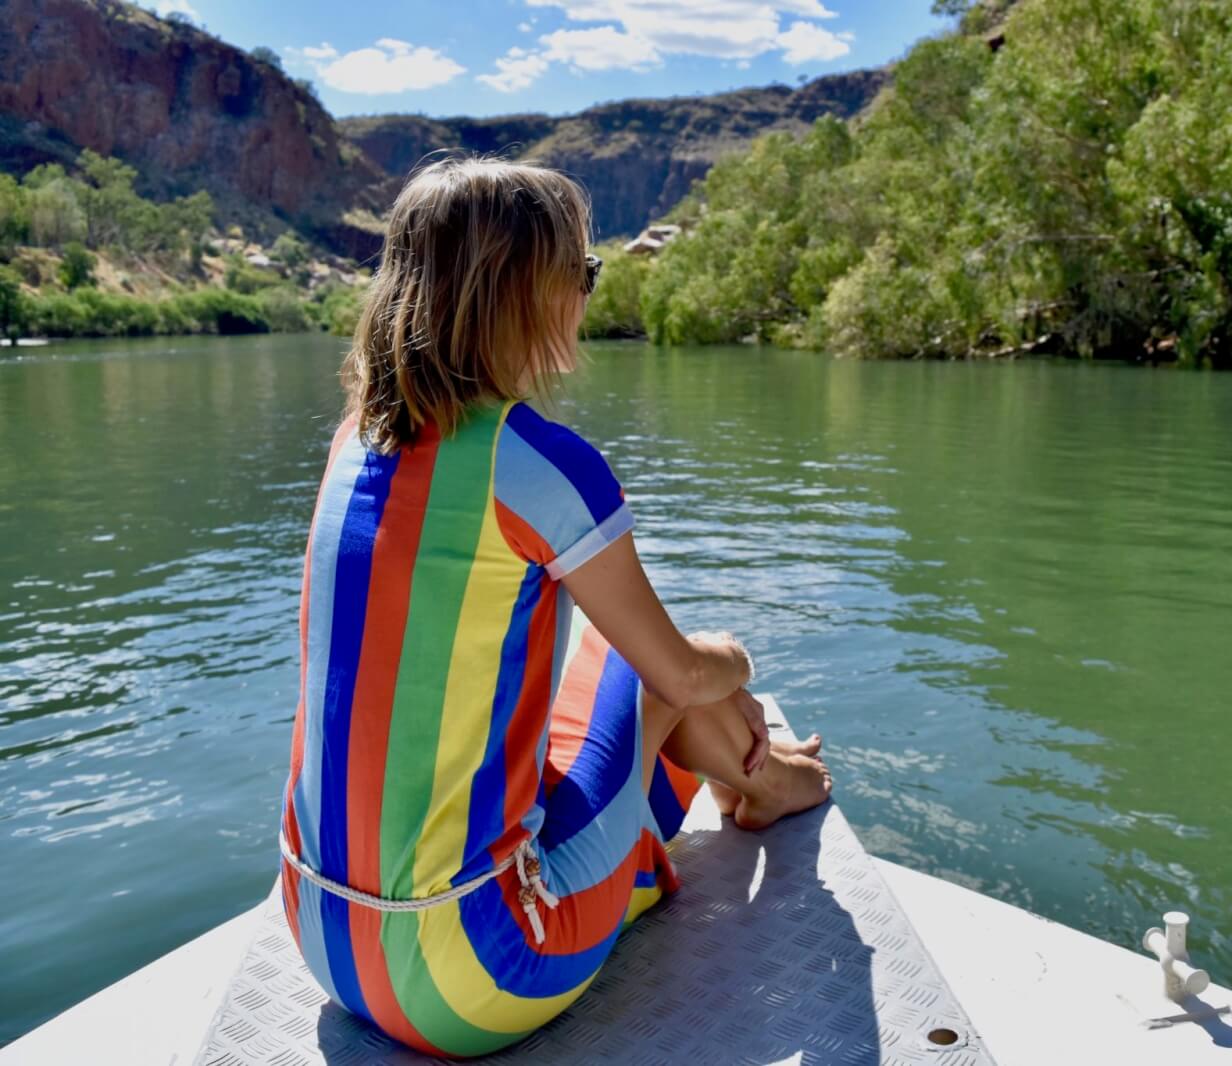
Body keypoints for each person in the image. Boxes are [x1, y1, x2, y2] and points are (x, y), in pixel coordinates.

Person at [275, 155, 833, 1058]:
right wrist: (737, 661)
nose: (587, 292)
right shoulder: (536, 462)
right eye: (584, 272)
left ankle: (750, 780)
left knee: (628, 672)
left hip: (325, 944)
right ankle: (771, 784)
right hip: (481, 975)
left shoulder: (351, 439)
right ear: (527, 291)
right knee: (671, 674)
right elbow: (679, 673)